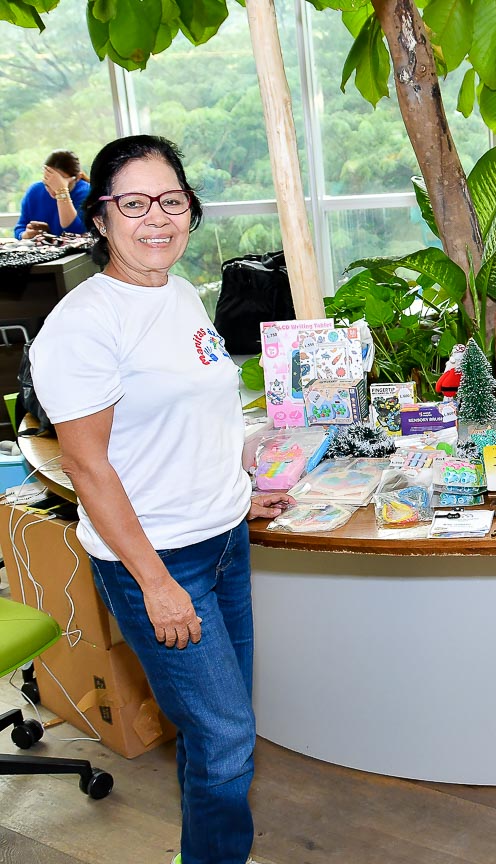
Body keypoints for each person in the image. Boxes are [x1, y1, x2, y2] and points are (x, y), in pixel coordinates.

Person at [29, 136, 291, 864]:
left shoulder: (178, 294)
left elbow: (191, 421)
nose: (157, 218)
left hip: (223, 541)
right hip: (158, 560)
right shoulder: (84, 324)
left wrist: (237, 490)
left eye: (172, 201)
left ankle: (198, 853)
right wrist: (155, 584)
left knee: (215, 731)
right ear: (100, 216)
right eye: (134, 203)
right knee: (227, 735)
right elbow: (87, 467)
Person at [13, 149, 91, 240]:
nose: (54, 191)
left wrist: (62, 192)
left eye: (60, 184)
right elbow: (20, 228)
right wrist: (26, 235)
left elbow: (75, 232)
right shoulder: (35, 191)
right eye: (48, 184)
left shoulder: (87, 192)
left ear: (77, 178)